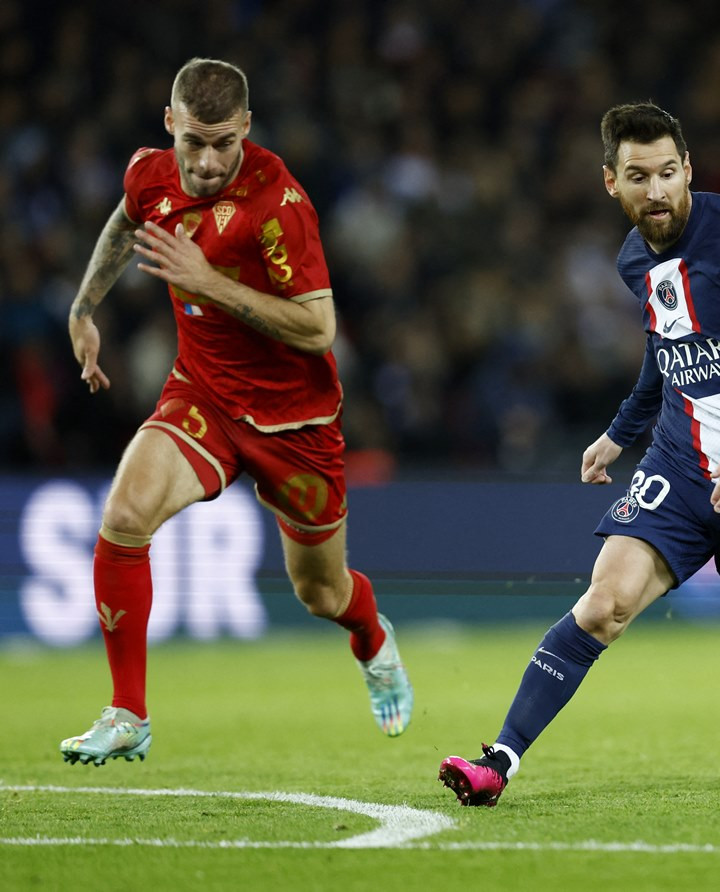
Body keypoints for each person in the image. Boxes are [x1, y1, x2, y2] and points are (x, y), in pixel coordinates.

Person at [439, 102, 720, 807]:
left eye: (666, 173)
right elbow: (668, 350)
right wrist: (621, 432)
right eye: (637, 176)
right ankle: (499, 760)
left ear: (687, 169)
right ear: (610, 183)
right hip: (682, 467)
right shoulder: (634, 259)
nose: (654, 191)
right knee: (604, 605)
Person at [59, 58, 413, 766]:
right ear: (170, 125)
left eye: (225, 142)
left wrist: (207, 282)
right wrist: (85, 305)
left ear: (246, 128)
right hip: (205, 396)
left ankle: (372, 640)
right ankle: (129, 710)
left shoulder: (279, 205)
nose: (209, 161)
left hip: (296, 424)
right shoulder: (150, 173)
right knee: (124, 516)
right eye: (195, 141)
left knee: (320, 591)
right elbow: (127, 221)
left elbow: (319, 330)